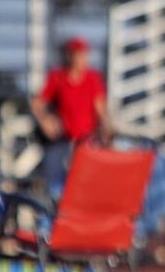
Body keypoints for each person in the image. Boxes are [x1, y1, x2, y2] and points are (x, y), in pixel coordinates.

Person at [30, 37, 111, 192]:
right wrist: (45, 119)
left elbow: (102, 111)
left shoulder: (92, 79)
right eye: (77, 54)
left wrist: (106, 130)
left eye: (83, 55)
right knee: (54, 182)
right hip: (62, 141)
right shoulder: (58, 77)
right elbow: (37, 103)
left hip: (87, 143)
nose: (82, 59)